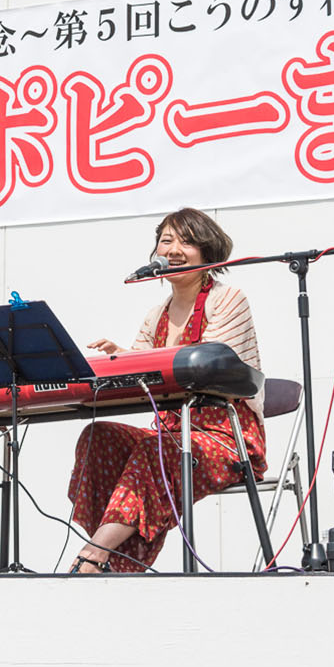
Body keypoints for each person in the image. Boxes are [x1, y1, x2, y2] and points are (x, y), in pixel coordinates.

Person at [66, 207, 266, 572]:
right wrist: (117, 361)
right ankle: (115, 558)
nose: (174, 249)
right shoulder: (155, 314)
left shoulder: (228, 299)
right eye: (166, 241)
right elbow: (141, 375)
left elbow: (205, 368)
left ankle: (95, 553)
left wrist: (136, 361)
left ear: (208, 252)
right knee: (98, 435)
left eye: (186, 241)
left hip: (223, 438)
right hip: (173, 435)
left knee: (156, 448)